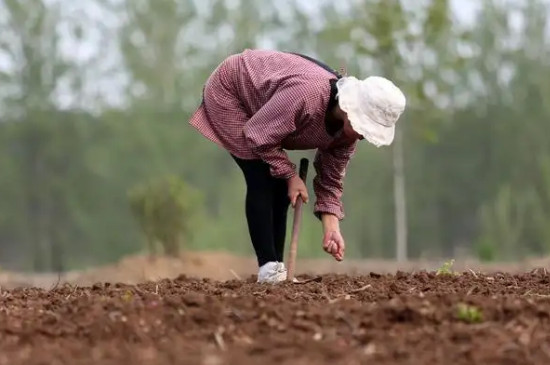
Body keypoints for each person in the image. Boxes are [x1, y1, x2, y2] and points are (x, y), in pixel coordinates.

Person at [189, 49, 406, 283]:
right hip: (232, 90)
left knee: (281, 188)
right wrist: (291, 176)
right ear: (348, 110)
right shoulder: (306, 96)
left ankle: (276, 269)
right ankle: (269, 268)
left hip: (266, 114)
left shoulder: (348, 137)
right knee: (261, 175)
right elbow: (258, 134)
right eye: (364, 127)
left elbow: (331, 179)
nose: (363, 136)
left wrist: (331, 226)